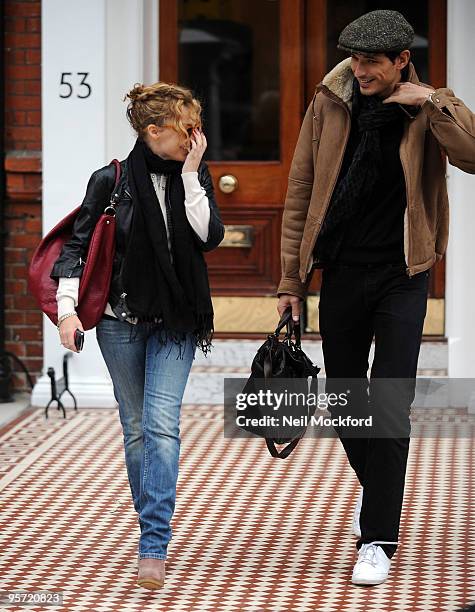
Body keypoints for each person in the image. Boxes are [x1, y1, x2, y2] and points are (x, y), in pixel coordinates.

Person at [277, 9, 475, 586]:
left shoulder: (428, 105)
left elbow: (472, 153)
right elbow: (300, 189)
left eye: (371, 61)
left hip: (402, 274)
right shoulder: (330, 99)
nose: (359, 69)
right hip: (341, 270)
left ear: (402, 60)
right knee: (343, 398)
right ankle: (387, 491)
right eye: (355, 58)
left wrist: (432, 101)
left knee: (389, 399)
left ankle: (378, 537)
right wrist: (292, 280)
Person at [50, 82, 224, 589]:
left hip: (177, 319)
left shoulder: (195, 173)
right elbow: (77, 247)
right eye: (186, 129)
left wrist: (192, 176)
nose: (197, 137)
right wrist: (66, 311)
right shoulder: (111, 181)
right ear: (155, 131)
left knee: (161, 422)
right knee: (136, 429)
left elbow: (207, 236)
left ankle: (154, 543)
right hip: (119, 321)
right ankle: (152, 531)